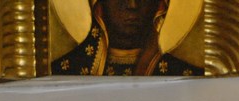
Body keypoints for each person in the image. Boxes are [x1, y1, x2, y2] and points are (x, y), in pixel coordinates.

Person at [52, 0, 203, 76]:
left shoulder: (184, 74)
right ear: (98, 3)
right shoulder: (64, 71)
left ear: (160, 5)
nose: (132, 5)